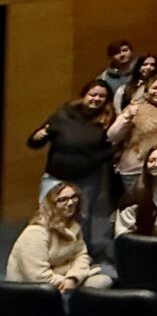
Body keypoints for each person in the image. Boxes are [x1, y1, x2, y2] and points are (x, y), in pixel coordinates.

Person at [26, 81, 116, 260]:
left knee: (82, 219)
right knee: (46, 217)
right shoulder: (63, 115)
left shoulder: (107, 121)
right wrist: (38, 136)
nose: (96, 99)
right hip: (55, 177)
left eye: (101, 96)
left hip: (86, 178)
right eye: (93, 94)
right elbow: (34, 142)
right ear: (84, 95)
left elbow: (110, 151)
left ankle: (79, 257)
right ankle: (43, 255)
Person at [6, 182, 113, 290]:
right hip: (35, 290)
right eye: (63, 200)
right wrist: (65, 283)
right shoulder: (35, 233)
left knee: (104, 280)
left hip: (66, 279)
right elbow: (37, 276)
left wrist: (73, 279)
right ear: (50, 204)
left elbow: (81, 255)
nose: (71, 203)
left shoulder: (72, 226)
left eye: (73, 197)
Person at [107, 75, 157, 188]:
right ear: (146, 91)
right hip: (137, 169)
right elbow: (112, 136)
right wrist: (126, 117)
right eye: (154, 88)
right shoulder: (136, 108)